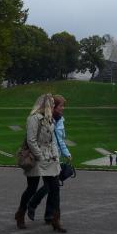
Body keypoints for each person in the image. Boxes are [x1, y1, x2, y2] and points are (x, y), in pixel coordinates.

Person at [15, 93, 66, 233]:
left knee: (55, 188)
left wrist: (55, 156)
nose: (54, 106)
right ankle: (20, 213)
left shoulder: (49, 119)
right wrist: (40, 156)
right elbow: (31, 140)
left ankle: (56, 219)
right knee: (31, 188)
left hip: (49, 157)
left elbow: (52, 140)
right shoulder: (33, 118)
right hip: (36, 157)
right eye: (52, 104)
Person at [26, 95, 71, 224]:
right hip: (45, 156)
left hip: (54, 156)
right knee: (48, 186)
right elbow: (48, 140)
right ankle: (32, 205)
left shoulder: (59, 119)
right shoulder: (46, 119)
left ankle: (49, 215)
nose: (63, 108)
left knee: (53, 187)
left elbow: (59, 139)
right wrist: (42, 156)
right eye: (61, 106)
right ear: (53, 107)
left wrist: (64, 153)